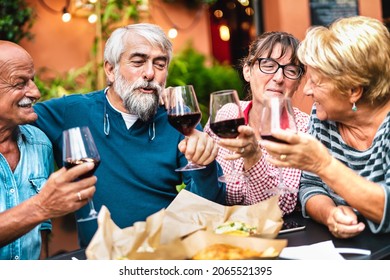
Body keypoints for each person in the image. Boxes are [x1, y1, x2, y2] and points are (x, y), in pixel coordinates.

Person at [33, 23, 225, 248]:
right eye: (138, 62)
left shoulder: (178, 119)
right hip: (99, 259)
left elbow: (211, 205)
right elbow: (13, 117)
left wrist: (205, 165)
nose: (150, 73)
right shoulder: (72, 111)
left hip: (164, 253)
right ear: (110, 70)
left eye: (160, 64)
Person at [260, 16, 390, 238]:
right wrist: (330, 214)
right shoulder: (323, 117)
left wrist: (323, 164)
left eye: (316, 81)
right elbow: (310, 186)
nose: (307, 90)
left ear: (353, 90)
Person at [0, 40, 97, 260]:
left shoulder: (40, 143)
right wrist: (41, 206)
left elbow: (41, 234)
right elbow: (42, 210)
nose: (35, 92)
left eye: (32, 80)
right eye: (20, 83)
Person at [204, 32, 309, 215]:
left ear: (298, 82)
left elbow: (280, 207)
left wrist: (254, 158)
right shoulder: (227, 115)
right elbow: (206, 190)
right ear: (247, 71)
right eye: (268, 65)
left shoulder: (303, 127)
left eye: (291, 70)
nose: (278, 78)